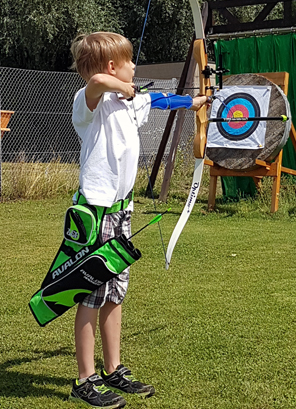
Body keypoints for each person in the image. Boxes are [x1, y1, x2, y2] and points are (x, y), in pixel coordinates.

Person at [68, 31, 208, 408]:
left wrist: (197, 99)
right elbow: (96, 80)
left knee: (114, 293)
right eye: (130, 62)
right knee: (90, 294)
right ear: (113, 66)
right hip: (94, 213)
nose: (135, 68)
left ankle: (113, 368)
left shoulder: (129, 102)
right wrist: (125, 89)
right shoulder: (89, 102)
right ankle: (84, 379)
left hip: (120, 212)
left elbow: (162, 99)